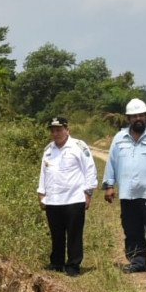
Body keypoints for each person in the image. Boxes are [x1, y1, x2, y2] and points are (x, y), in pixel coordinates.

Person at [101, 98, 146, 274]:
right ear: (128, 119)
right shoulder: (120, 138)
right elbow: (112, 162)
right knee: (131, 229)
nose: (138, 119)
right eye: (133, 116)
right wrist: (109, 185)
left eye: (141, 115)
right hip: (128, 193)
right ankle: (137, 261)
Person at [38, 116, 97, 277]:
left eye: (59, 130)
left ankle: (73, 265)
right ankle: (56, 262)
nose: (56, 133)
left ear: (67, 130)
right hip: (54, 199)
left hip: (74, 198)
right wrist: (41, 193)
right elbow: (44, 172)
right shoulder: (48, 149)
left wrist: (88, 193)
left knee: (74, 234)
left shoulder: (78, 146)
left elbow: (90, 169)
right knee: (56, 234)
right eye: (53, 130)